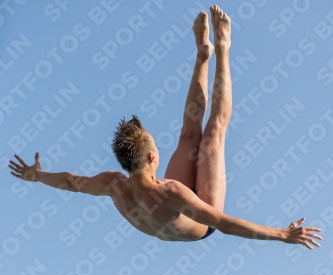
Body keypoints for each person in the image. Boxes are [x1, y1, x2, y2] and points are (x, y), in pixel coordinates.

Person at [8, 6, 322, 249]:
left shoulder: (113, 183)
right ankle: (224, 47)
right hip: (203, 219)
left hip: (176, 209)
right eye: (155, 145)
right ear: (150, 158)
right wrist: (282, 234)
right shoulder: (165, 191)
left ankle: (203, 55)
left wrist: (38, 176)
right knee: (212, 135)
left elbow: (71, 182)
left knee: (188, 134)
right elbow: (225, 224)